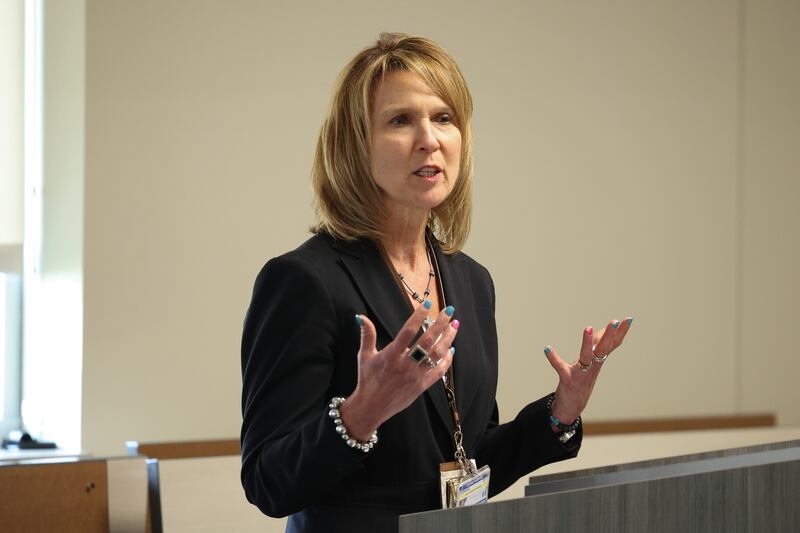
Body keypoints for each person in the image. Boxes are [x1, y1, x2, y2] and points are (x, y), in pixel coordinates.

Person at [240, 32, 632, 533]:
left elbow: (469, 460)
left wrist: (558, 414)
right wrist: (360, 415)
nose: (430, 138)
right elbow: (266, 482)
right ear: (356, 145)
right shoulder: (303, 281)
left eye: (444, 117)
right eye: (401, 120)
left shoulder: (471, 281)